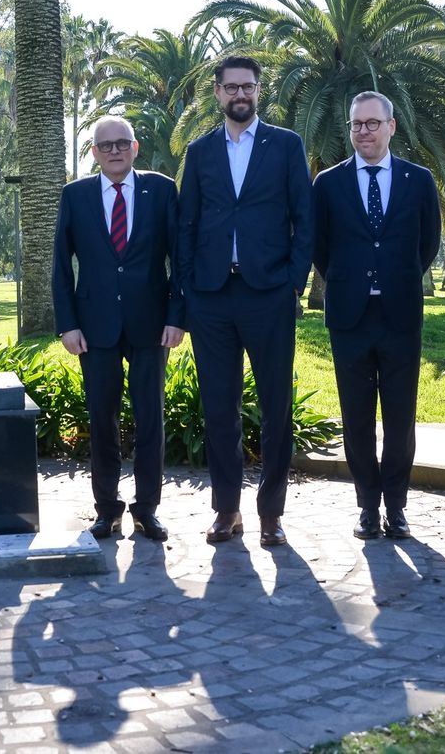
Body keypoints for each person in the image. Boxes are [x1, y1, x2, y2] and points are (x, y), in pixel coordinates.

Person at [176, 57, 313, 548]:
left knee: (277, 406)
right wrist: (189, 288)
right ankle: (227, 509)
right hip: (212, 298)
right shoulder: (199, 151)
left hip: (269, 294)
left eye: (248, 86)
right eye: (231, 86)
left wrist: (294, 281)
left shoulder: (286, 145)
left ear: (259, 91)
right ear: (217, 93)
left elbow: (305, 217)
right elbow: (186, 224)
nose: (240, 94)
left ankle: (271, 513)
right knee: (219, 409)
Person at [312, 91, 441, 541]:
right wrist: (352, 281)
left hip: (401, 313)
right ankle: (367, 506)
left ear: (391, 126)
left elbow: (428, 244)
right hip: (349, 316)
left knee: (401, 416)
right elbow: (320, 247)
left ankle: (397, 506)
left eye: (372, 123)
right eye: (356, 124)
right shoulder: (327, 183)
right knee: (357, 417)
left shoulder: (419, 180)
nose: (363, 131)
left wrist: (394, 277)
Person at [52, 117, 185, 541]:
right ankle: (106, 509)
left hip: (151, 326)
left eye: (121, 143)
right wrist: (67, 325)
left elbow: (180, 261)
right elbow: (59, 265)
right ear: (93, 152)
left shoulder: (162, 190)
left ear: (135, 147)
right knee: (102, 419)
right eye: (105, 145)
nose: (114, 151)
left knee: (151, 419)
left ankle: (147, 509)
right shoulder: (75, 196)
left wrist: (177, 316)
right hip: (94, 328)